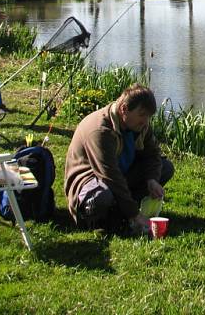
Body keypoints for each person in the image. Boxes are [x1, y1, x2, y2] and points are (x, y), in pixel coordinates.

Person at [64, 84, 174, 235]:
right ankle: (93, 218)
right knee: (102, 197)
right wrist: (135, 214)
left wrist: (152, 179)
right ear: (124, 109)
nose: (146, 121)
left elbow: (152, 154)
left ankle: (122, 210)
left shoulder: (140, 125)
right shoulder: (100, 131)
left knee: (165, 167)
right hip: (91, 180)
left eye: (149, 116)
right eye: (142, 114)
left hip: (119, 174)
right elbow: (110, 176)